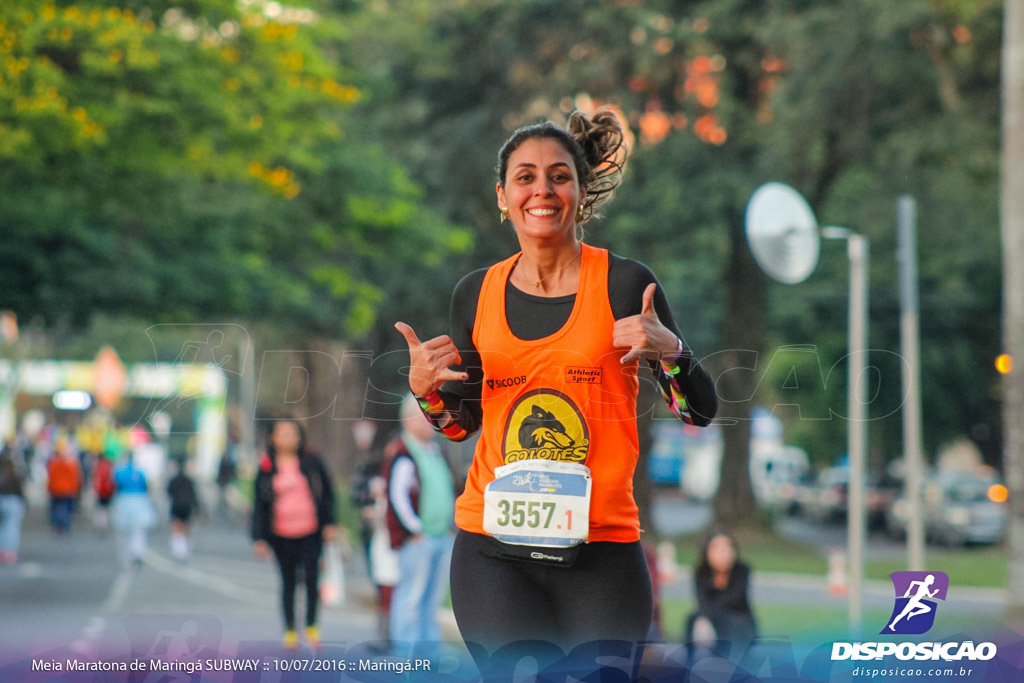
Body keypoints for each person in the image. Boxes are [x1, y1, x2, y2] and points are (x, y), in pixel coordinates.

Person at [394, 107, 718, 656]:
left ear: (580, 190)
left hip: (602, 550)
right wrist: (426, 392)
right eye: (525, 177)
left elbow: (697, 413)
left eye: (558, 176)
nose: (541, 190)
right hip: (491, 549)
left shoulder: (625, 284)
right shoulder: (475, 294)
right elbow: (459, 426)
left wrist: (671, 353)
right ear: (503, 196)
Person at [251, 419, 337, 650]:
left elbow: (328, 492)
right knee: (288, 581)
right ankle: (289, 629)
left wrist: (330, 523)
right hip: (281, 534)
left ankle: (311, 626)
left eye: (293, 434)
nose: (290, 438)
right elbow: (259, 504)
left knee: (311, 579)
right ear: (274, 438)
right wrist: (258, 538)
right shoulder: (267, 466)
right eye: (284, 434)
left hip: (310, 531)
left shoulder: (311, 460)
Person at [383, 393, 457, 657]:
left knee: (432, 599)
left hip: (441, 536)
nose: (431, 423)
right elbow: (397, 496)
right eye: (425, 417)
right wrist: (414, 529)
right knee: (411, 598)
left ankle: (428, 653)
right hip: (419, 539)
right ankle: (405, 655)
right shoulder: (403, 453)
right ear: (408, 419)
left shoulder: (436, 450)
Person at [683, 528, 757, 659]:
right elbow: (702, 603)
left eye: (728, 547)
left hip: (738, 622)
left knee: (730, 624)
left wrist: (707, 613)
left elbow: (734, 600)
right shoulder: (701, 573)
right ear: (707, 552)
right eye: (718, 548)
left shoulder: (741, 571)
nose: (724, 553)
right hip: (711, 622)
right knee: (695, 619)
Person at [111, 451, 157, 568]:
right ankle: (137, 553)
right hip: (139, 501)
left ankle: (126, 556)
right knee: (139, 530)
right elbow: (146, 487)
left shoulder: (120, 472)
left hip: (123, 501)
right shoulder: (141, 472)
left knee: (123, 531)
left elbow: (114, 485)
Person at [166, 458, 201, 563]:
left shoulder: (173, 481)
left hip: (176, 507)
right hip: (186, 508)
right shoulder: (189, 481)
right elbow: (194, 496)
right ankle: (184, 552)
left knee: (177, 529)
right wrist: (198, 509)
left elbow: (168, 493)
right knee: (185, 530)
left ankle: (179, 552)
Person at [47, 438, 82, 534]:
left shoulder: (54, 464)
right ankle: (65, 524)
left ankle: (58, 524)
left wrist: (49, 487)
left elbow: (51, 477)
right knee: (66, 508)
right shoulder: (72, 464)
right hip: (67, 489)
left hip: (57, 489)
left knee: (57, 507)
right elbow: (75, 478)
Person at [0, 440, 26, 564]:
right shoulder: (14, 472)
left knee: (3, 528)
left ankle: (3, 551)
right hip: (13, 502)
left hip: (3, 500)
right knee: (12, 529)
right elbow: (20, 489)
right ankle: (10, 552)